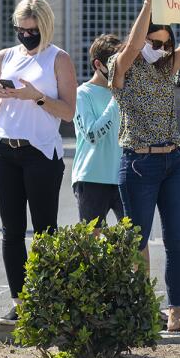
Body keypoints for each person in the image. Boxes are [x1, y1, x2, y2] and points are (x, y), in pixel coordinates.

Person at [109, 0, 180, 334]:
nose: (161, 49)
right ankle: (137, 311)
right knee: (137, 240)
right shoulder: (121, 69)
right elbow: (133, 47)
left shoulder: (168, 67)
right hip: (138, 162)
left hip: (172, 162)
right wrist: (149, 2)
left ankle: (176, 312)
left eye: (166, 45)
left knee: (176, 240)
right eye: (156, 42)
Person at [0, 0, 76, 327]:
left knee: (45, 229)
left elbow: (68, 112)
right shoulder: (4, 56)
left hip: (40, 151)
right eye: (20, 29)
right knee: (11, 230)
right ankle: (19, 301)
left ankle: (47, 298)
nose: (25, 35)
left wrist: (34, 96)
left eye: (32, 30)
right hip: (4, 149)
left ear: (45, 26)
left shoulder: (58, 58)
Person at [72, 34, 125, 228]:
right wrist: (116, 97)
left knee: (134, 242)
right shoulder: (82, 94)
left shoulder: (127, 90)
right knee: (91, 246)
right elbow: (92, 134)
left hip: (124, 177)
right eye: (115, 63)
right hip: (92, 177)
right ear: (98, 64)